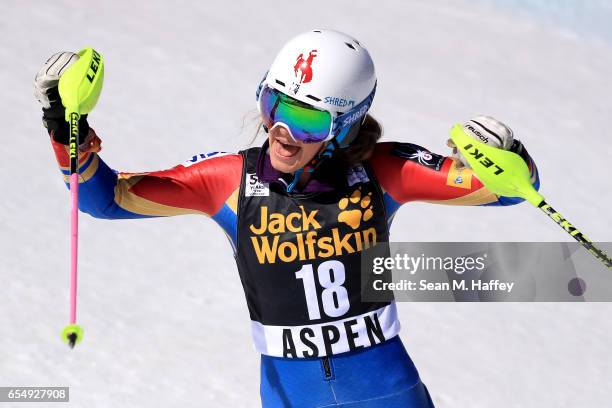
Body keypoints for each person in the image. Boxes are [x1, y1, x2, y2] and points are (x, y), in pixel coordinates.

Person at [34, 30, 539, 408]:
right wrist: (64, 131)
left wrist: (502, 156)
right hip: (290, 396)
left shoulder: (383, 170)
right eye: (273, 103)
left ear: (345, 125)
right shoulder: (229, 180)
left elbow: (511, 194)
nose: (280, 131)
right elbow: (106, 198)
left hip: (386, 393)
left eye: (307, 120)